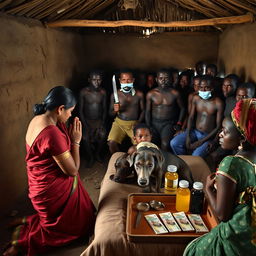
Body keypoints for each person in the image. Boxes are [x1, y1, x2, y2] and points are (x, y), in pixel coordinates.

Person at [3, 86, 96, 256]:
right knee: (81, 224)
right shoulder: (52, 133)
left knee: (85, 210)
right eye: (70, 111)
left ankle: (26, 222)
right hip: (50, 191)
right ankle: (21, 244)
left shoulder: (38, 118)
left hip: (37, 184)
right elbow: (72, 171)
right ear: (60, 109)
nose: (70, 116)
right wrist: (76, 142)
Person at [184, 98, 256, 255]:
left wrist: (207, 188)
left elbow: (222, 215)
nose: (220, 135)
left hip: (235, 240)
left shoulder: (231, 164)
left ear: (242, 139)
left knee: (192, 251)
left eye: (225, 131)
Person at [170, 75, 224, 157]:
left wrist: (201, 142)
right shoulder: (196, 99)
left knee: (196, 155)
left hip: (208, 136)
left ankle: (192, 165)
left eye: (207, 87)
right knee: (174, 143)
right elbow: (191, 118)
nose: (203, 90)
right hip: (194, 132)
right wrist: (187, 136)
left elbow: (218, 126)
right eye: (201, 87)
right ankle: (184, 161)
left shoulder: (218, 103)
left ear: (212, 88)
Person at [145, 69, 185, 151]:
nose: (163, 81)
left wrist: (179, 123)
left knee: (165, 144)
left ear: (171, 79)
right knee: (152, 144)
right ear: (156, 79)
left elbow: (183, 108)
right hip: (154, 122)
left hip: (168, 123)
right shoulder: (151, 94)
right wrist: (148, 126)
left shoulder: (175, 93)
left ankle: (164, 162)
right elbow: (148, 111)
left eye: (166, 78)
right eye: (161, 78)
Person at [108, 70, 145, 154]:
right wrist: (115, 110)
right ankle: (120, 161)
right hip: (119, 123)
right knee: (111, 143)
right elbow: (110, 114)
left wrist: (138, 122)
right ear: (120, 81)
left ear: (133, 80)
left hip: (134, 124)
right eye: (124, 80)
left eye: (129, 80)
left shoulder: (139, 94)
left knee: (140, 146)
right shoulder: (115, 94)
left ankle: (132, 162)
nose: (126, 82)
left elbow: (143, 110)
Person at [79, 70, 107, 166]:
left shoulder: (103, 92)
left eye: (99, 80)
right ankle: (90, 157)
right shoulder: (84, 92)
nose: (96, 82)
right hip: (87, 120)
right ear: (89, 80)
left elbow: (104, 109)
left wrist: (102, 124)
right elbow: (80, 111)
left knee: (103, 135)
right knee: (85, 138)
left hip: (98, 120)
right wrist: (85, 125)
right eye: (94, 79)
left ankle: (97, 154)